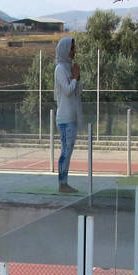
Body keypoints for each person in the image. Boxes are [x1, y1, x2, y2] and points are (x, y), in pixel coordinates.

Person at [54, 36, 82, 194]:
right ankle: (62, 183)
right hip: (64, 117)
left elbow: (77, 90)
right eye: (71, 48)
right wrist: (74, 78)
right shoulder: (60, 69)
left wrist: (77, 77)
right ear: (64, 50)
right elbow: (67, 90)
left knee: (69, 150)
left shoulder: (69, 67)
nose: (74, 51)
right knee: (65, 150)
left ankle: (65, 182)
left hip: (72, 116)